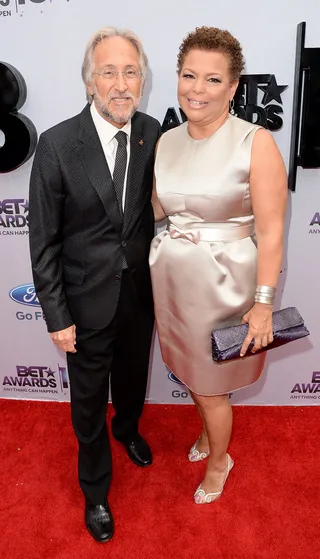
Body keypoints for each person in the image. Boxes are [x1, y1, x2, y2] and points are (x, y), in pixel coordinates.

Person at [29, 27, 161, 542]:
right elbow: (44, 242)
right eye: (109, 72)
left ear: (143, 80)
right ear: (89, 82)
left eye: (131, 72)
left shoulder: (154, 132)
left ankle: (127, 429)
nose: (121, 83)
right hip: (84, 303)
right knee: (87, 403)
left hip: (140, 298)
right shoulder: (58, 144)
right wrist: (57, 315)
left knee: (131, 379)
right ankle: (96, 490)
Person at [150, 26, 287, 505]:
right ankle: (209, 438)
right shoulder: (165, 142)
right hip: (173, 278)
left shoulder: (256, 142)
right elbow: (157, 209)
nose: (197, 89)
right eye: (189, 76)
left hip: (226, 280)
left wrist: (264, 305)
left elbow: (270, 232)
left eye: (212, 80)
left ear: (232, 87)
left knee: (213, 388)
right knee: (191, 374)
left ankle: (218, 462)